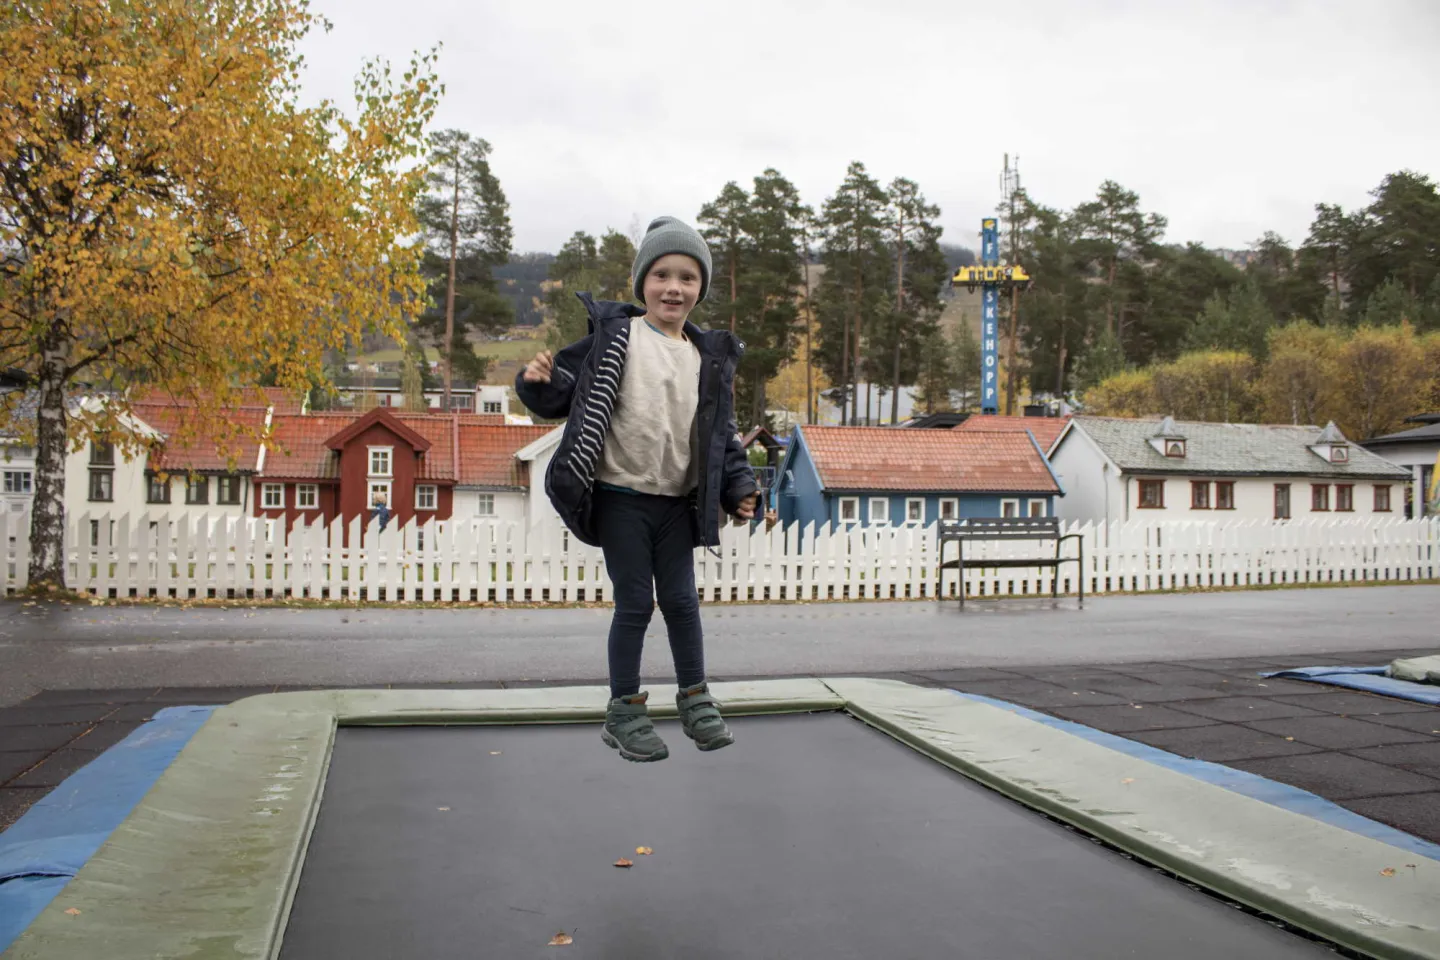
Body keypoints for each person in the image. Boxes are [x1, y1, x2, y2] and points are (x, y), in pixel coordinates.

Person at [515, 216, 758, 763]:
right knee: (634, 603)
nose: (674, 287)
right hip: (620, 496)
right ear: (642, 283)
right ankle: (624, 709)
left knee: (681, 601)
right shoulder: (616, 337)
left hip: (678, 501)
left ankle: (696, 700)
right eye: (662, 275)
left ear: (701, 288)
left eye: (688, 277)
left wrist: (739, 488)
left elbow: (722, 435)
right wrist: (536, 383)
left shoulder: (707, 357)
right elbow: (563, 394)